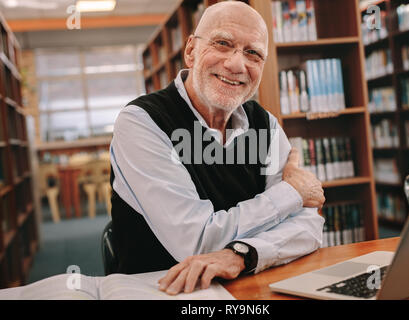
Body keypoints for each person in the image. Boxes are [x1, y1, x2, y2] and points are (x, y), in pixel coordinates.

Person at [109, 1, 325, 296]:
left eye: (253, 53)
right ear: (190, 51)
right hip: (165, 291)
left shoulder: (266, 124)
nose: (237, 65)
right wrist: (293, 194)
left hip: (251, 285)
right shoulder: (142, 122)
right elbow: (197, 241)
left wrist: (241, 254)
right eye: (223, 44)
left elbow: (310, 226)